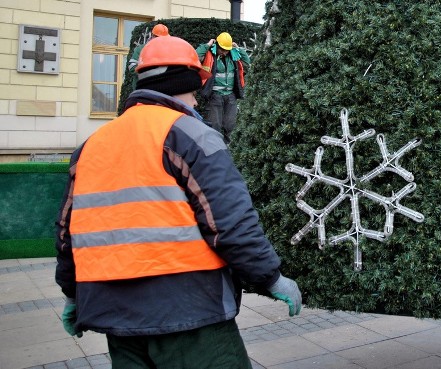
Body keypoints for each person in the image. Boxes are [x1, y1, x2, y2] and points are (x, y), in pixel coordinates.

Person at [55, 34, 300, 369]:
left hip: (115, 315)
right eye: (195, 91)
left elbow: (68, 231)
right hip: (188, 311)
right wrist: (269, 277)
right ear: (188, 81)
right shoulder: (191, 135)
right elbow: (229, 221)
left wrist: (72, 293)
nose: (197, 102)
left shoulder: (91, 146)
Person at [196, 32, 249, 144]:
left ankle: (229, 151)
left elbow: (247, 63)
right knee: (214, 126)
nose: (224, 52)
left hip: (231, 97)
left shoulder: (234, 56)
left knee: (230, 125)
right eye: (222, 49)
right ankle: (214, 149)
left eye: (227, 50)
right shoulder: (210, 54)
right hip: (214, 96)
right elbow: (196, 56)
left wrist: (238, 48)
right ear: (217, 46)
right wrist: (208, 45)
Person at [127, 23, 169, 91]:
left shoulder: (165, 51)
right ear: (153, 37)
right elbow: (132, 66)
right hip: (142, 90)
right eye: (160, 38)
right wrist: (147, 71)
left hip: (160, 91)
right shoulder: (140, 49)